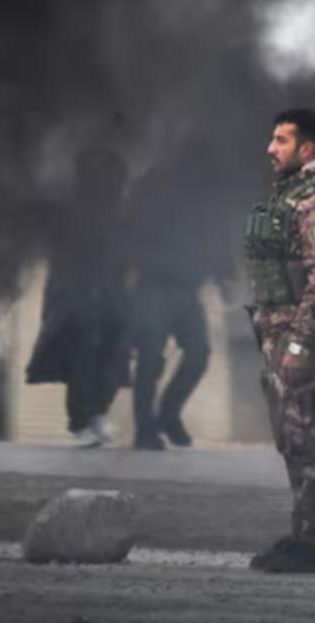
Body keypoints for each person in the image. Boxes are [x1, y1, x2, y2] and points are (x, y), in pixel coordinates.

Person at [245, 109, 315, 574]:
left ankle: (314, 546)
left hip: (301, 337)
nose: (270, 149)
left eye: (281, 141)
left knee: (309, 437)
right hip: (280, 330)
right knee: (293, 438)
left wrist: (298, 344)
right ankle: (302, 535)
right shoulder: (290, 195)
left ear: (307, 149)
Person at [26, 147, 131, 448]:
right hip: (76, 295)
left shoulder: (119, 214)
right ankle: (81, 420)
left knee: (114, 354)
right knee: (82, 355)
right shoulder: (69, 213)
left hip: (111, 295)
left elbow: (124, 254)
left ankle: (97, 413)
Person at [127, 139, 224, 451]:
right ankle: (145, 431)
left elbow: (215, 235)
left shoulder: (206, 195)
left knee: (198, 354)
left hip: (186, 288)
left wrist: (222, 272)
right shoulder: (152, 187)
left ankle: (168, 414)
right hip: (153, 285)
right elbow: (130, 232)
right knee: (150, 358)